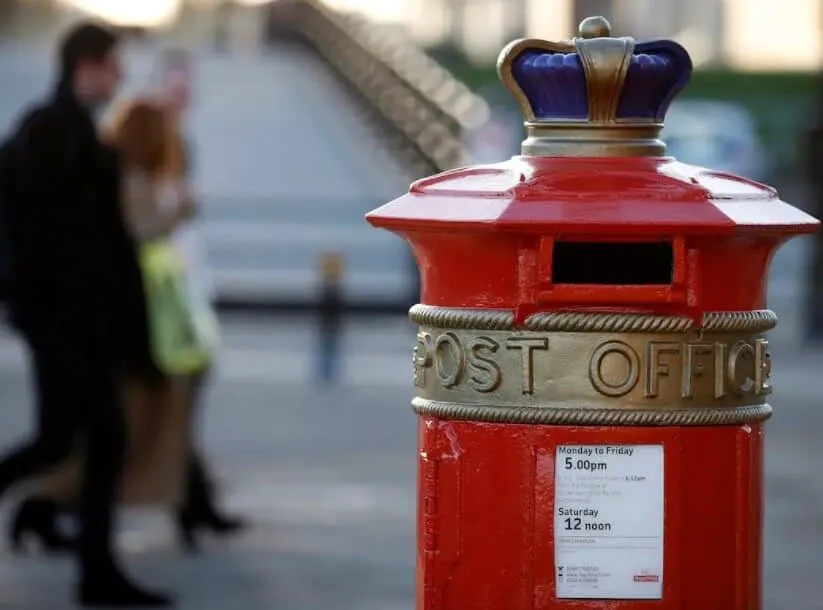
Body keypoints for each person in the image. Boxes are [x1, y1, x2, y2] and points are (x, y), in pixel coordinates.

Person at [0, 21, 172, 607]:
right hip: (65, 325)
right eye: (114, 65)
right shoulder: (48, 133)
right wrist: (39, 312)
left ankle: (98, 572)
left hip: (78, 325)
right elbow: (41, 239)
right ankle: (97, 574)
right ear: (89, 64)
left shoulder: (75, 135)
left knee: (65, 440)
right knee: (95, 437)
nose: (121, 77)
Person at [152, 48, 246, 551]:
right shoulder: (146, 137)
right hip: (161, 288)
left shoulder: (179, 142)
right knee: (173, 398)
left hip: (181, 281)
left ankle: (195, 503)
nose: (182, 97)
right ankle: (193, 505)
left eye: (187, 88)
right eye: (175, 87)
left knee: (183, 396)